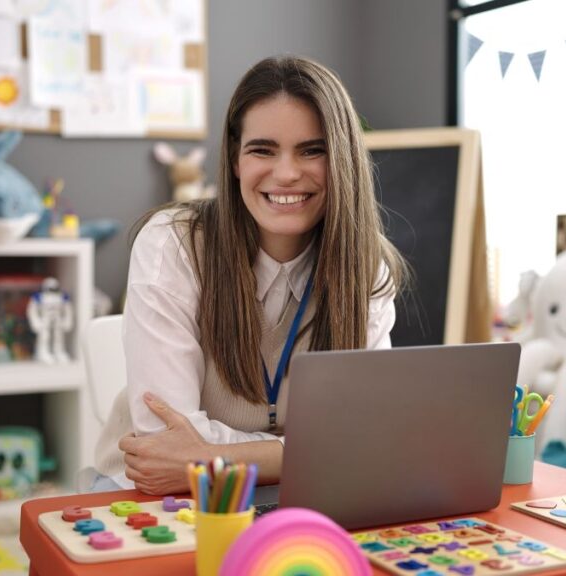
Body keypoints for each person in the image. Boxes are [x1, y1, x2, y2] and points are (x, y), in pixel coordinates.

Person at [92, 55, 409, 495]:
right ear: (236, 160)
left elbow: (364, 440)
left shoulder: (366, 267)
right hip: (152, 492)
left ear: (342, 160)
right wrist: (303, 452)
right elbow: (163, 444)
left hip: (298, 489)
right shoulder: (173, 244)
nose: (285, 174)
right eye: (263, 149)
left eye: (312, 150)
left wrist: (207, 457)